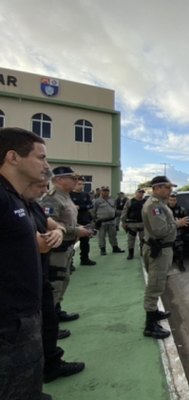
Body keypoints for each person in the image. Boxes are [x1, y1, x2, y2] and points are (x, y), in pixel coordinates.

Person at [0, 127, 51, 400]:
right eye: (41, 157)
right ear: (13, 157)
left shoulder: (16, 198)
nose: (46, 165)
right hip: (8, 326)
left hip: (24, 320)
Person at [24, 175, 86, 384]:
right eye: (39, 185)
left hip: (59, 252)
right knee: (51, 298)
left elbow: (52, 224)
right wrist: (72, 231)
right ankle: (47, 363)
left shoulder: (32, 205)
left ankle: (51, 359)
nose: (43, 189)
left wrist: (59, 230)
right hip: (46, 259)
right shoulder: (45, 200)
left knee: (53, 303)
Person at [40, 166, 92, 322]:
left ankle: (56, 311)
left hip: (67, 246)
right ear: (59, 179)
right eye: (72, 178)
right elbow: (50, 224)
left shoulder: (66, 196)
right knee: (55, 285)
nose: (76, 181)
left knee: (64, 280)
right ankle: (48, 323)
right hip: (57, 249)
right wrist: (77, 231)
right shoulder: (52, 198)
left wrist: (77, 230)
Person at [142, 176, 189, 339]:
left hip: (162, 249)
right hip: (159, 250)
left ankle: (154, 313)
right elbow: (160, 230)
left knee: (158, 282)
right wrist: (178, 224)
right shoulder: (154, 206)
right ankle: (150, 325)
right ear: (157, 188)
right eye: (167, 187)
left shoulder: (160, 204)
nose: (171, 191)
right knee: (155, 285)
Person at [70, 175, 96, 266]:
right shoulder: (69, 194)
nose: (81, 186)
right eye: (79, 184)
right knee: (71, 244)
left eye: (83, 184)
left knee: (85, 243)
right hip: (74, 222)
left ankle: (84, 259)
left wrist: (80, 207)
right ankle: (70, 263)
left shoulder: (85, 195)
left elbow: (90, 205)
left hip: (85, 221)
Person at [93, 186, 124, 255]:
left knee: (113, 235)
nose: (106, 192)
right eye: (104, 191)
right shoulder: (97, 201)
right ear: (101, 192)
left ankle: (115, 248)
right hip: (102, 222)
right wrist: (95, 221)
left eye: (107, 191)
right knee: (102, 236)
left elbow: (114, 209)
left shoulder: (112, 200)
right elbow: (93, 211)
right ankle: (103, 250)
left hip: (112, 221)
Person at [122, 188, 146, 260]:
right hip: (132, 224)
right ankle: (130, 253)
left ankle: (143, 252)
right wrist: (123, 222)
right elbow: (124, 212)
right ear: (136, 193)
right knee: (131, 240)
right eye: (139, 192)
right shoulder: (130, 202)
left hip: (142, 223)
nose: (141, 194)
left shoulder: (145, 202)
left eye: (142, 193)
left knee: (144, 240)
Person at [167, 193, 187, 271]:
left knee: (180, 249)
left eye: (174, 200)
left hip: (178, 233)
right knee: (167, 250)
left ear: (176, 201)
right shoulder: (165, 209)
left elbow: (186, 221)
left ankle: (181, 264)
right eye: (171, 200)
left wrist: (182, 227)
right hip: (167, 234)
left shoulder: (181, 209)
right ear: (168, 200)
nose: (172, 202)